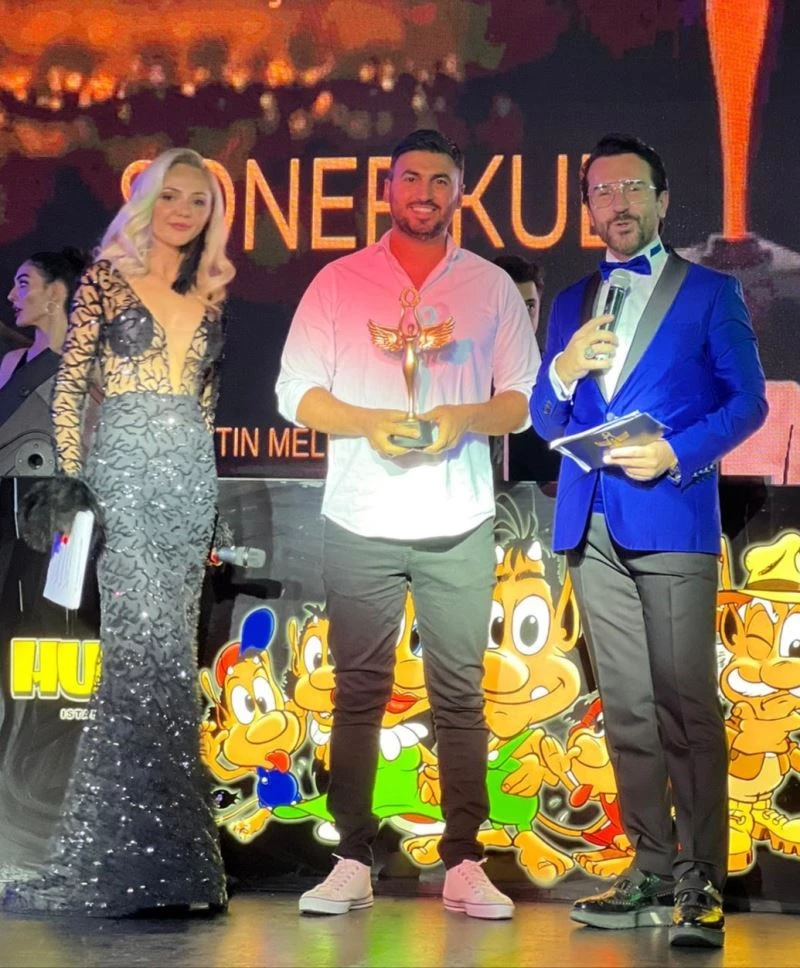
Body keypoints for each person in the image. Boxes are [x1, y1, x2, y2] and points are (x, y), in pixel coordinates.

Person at [276, 128, 539, 919]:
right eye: (411, 179)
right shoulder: (339, 281)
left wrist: (465, 416)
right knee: (359, 692)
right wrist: (366, 422)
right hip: (361, 516)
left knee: (460, 694)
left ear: (460, 193)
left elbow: (522, 400)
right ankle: (351, 857)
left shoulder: (489, 286)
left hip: (458, 518)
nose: (425, 194)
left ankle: (464, 860)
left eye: (440, 181)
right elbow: (295, 393)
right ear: (387, 189)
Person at [531, 133, 767, 948]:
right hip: (590, 522)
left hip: (670, 515)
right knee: (627, 709)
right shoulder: (571, 302)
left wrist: (677, 452)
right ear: (588, 208)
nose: (618, 202)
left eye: (633, 187)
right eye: (602, 191)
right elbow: (546, 419)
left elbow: (748, 403)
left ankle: (701, 884)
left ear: (662, 201)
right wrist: (563, 370)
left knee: (684, 705)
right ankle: (651, 871)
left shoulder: (710, 292)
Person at [0, 147, 235, 916]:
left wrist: (204, 493)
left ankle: (175, 861)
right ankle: (123, 856)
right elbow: (71, 392)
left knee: (172, 660)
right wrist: (76, 487)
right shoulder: (106, 280)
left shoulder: (212, 291)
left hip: (188, 480)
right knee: (136, 657)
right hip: (123, 473)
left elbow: (208, 405)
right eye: (172, 195)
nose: (184, 211)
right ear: (146, 201)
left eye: (198, 201)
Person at [0, 249, 91, 462]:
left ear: (55, 292)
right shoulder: (12, 362)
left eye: (23, 284)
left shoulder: (89, 366)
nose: (11, 295)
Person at [491, 255, 560, 485]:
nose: (520, 318)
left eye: (529, 306)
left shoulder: (557, 378)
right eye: (511, 306)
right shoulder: (465, 379)